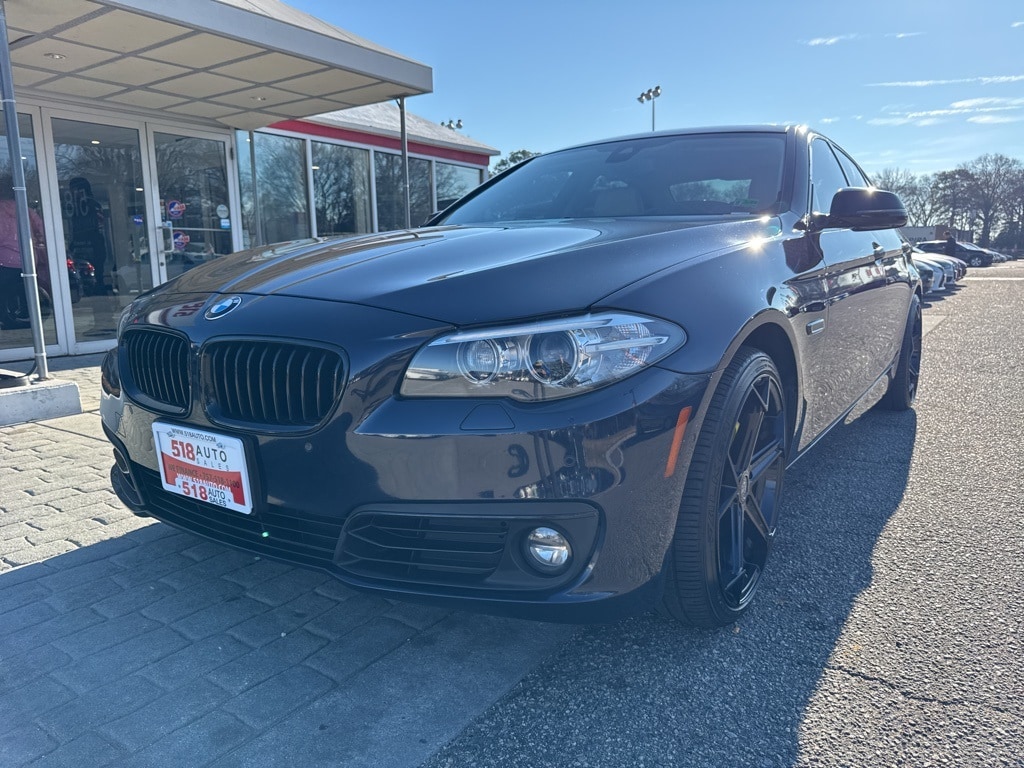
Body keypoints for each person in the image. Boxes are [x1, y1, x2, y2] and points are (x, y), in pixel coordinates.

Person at [0, 175, 48, 330]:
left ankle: (7, 318)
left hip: (5, 260)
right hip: (27, 259)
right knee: (27, 290)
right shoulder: (25, 210)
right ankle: (30, 316)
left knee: (4, 292)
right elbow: (41, 228)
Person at [67, 176, 110, 294]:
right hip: (80, 248)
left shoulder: (93, 205)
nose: (73, 193)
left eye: (74, 190)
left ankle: (101, 303)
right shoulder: (73, 208)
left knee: (97, 277)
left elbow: (99, 227)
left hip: (95, 247)